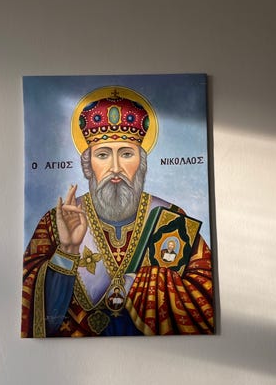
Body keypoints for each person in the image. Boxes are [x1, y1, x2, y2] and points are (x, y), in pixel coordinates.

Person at [22, 87, 214, 337]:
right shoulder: (55, 222)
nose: (115, 167)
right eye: (103, 155)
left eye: (126, 154)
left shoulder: (172, 220)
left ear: (141, 163)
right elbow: (42, 321)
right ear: (88, 166)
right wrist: (67, 250)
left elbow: (204, 298)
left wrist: (144, 283)